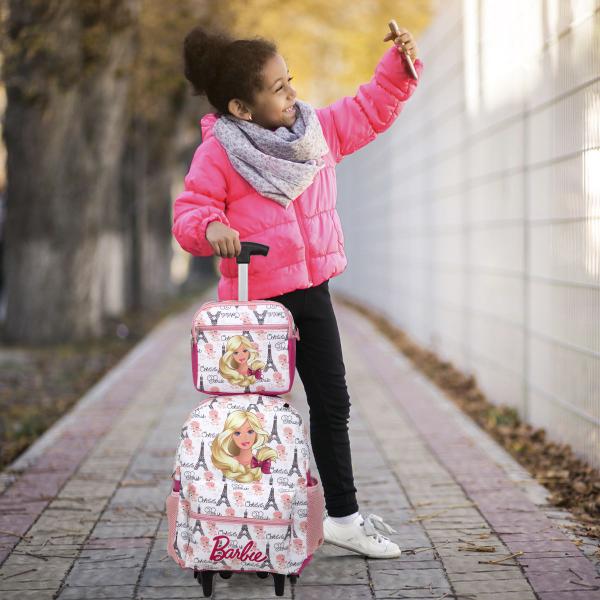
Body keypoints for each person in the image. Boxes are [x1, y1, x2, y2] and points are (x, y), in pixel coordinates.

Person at [172, 23, 423, 559]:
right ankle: (252, 523)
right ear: (242, 107)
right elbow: (191, 211)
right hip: (255, 310)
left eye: (290, 80)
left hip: (312, 296)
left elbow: (367, 110)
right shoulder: (220, 152)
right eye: (279, 88)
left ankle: (344, 517)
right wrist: (209, 228)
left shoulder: (314, 132)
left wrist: (397, 69)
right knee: (258, 421)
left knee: (333, 403)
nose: (293, 94)